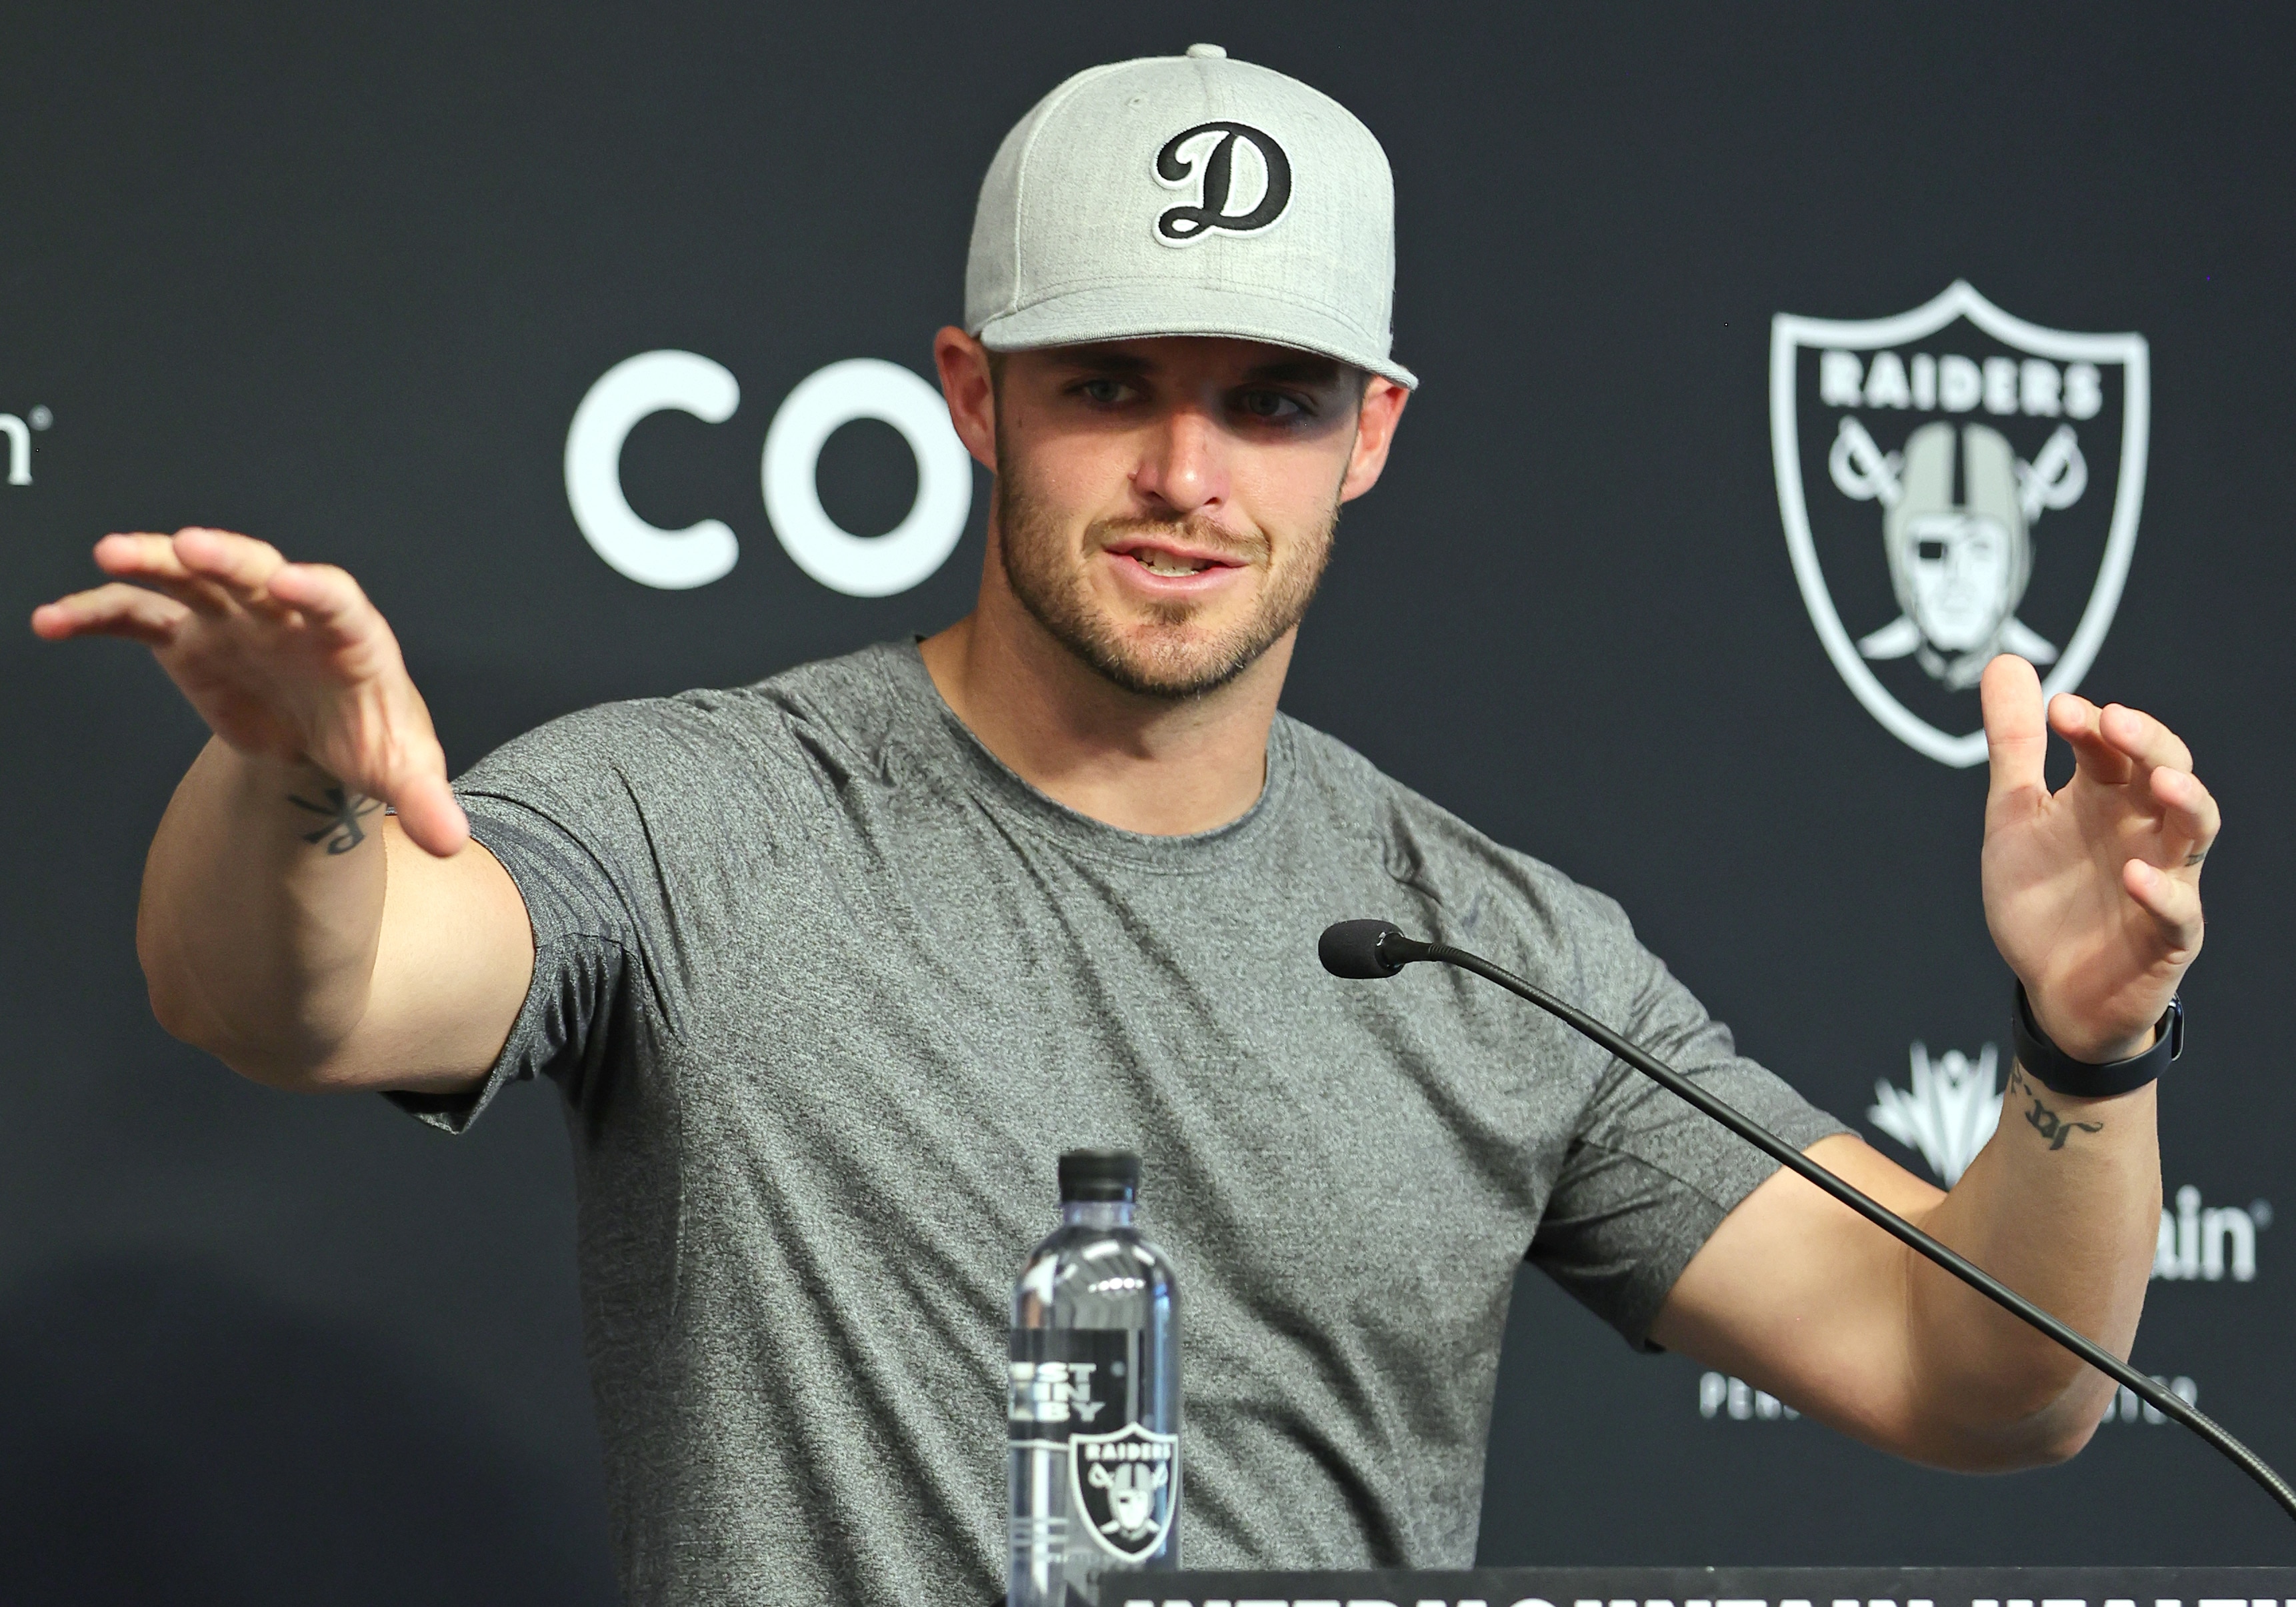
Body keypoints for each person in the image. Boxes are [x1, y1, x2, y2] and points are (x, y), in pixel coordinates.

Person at [31, 44, 2216, 1607]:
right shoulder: (697, 814)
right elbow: (280, 994)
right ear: (975, 396)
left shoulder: (1489, 942)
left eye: (1266, 401)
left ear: (1364, 436)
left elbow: (1983, 1379)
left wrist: (2083, 1050)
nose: (1188, 471)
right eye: (1112, 385)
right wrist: (293, 777)